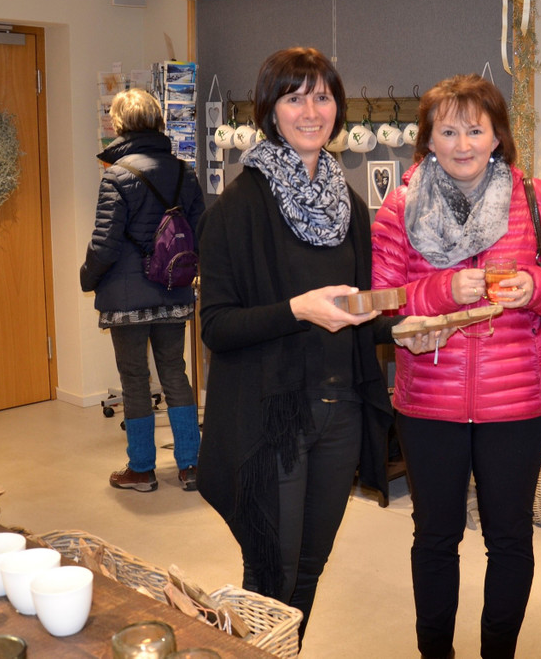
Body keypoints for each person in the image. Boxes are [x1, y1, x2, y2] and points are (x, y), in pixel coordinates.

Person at [196, 47, 439, 645]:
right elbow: (217, 327)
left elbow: (355, 312)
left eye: (323, 97)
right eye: (294, 97)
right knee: (271, 573)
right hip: (271, 418)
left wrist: (402, 329)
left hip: (340, 413)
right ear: (269, 110)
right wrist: (295, 310)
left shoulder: (347, 205)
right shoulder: (237, 208)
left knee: (309, 567)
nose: (311, 111)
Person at [371, 74, 541, 659]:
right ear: (428, 140)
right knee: (435, 538)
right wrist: (442, 291)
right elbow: (381, 303)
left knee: (510, 538)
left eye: (475, 130)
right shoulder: (401, 204)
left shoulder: (535, 199)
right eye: (448, 131)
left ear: (497, 136)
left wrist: (537, 286)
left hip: (516, 405)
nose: (462, 144)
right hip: (429, 403)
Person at [81, 87, 205, 493]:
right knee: (175, 372)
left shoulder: (116, 175)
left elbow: (105, 244)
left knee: (134, 378)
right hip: (173, 288)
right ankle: (191, 466)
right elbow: (201, 232)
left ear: (119, 124)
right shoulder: (185, 172)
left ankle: (141, 470)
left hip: (127, 296)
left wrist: (87, 277)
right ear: (158, 121)